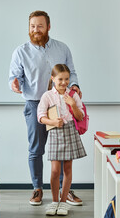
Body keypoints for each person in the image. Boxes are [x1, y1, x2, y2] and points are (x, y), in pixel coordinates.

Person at [9, 10, 83, 206]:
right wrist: (14, 84)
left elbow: (72, 73)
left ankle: (64, 191)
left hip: (62, 103)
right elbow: (14, 77)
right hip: (35, 104)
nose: (36, 30)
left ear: (48, 27)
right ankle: (37, 189)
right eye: (32, 26)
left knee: (63, 150)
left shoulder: (62, 48)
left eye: (40, 26)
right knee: (36, 149)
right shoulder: (21, 52)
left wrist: (74, 86)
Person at [37, 64, 87, 216]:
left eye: (66, 79)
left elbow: (80, 117)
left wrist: (73, 104)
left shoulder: (73, 95)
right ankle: (54, 201)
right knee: (54, 170)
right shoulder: (47, 96)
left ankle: (63, 202)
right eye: (60, 79)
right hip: (55, 132)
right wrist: (53, 122)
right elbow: (40, 116)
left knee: (68, 169)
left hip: (70, 130)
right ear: (53, 79)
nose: (64, 82)